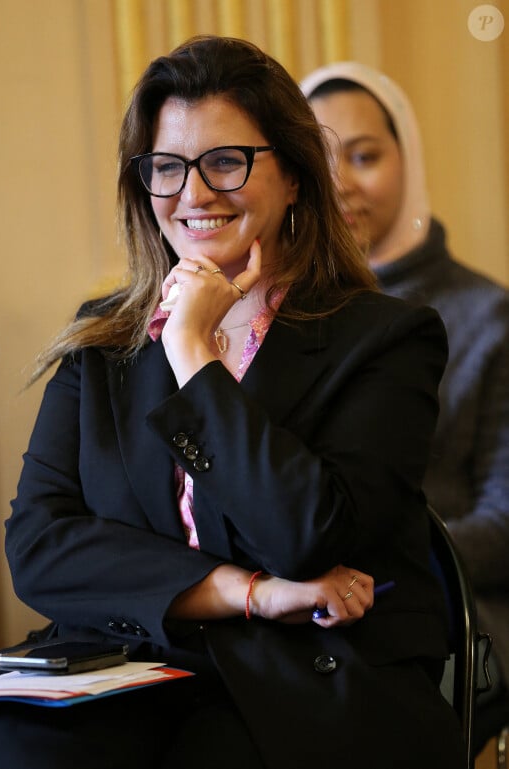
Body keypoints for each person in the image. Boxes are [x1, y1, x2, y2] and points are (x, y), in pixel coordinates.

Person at [0, 37, 466, 769]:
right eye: (167, 167)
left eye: (226, 162)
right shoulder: (104, 337)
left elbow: (309, 534)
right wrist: (249, 590)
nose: (194, 194)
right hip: (138, 657)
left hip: (309, 672)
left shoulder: (385, 338)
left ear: (294, 175)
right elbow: (41, 547)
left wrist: (195, 352)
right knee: (19, 746)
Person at [301, 60, 509, 750]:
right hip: (295, 608)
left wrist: (377, 566)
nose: (341, 182)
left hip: (451, 613)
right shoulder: (279, 317)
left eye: (364, 155)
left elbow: (506, 519)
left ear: (407, 158)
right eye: (319, 159)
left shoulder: (489, 317)